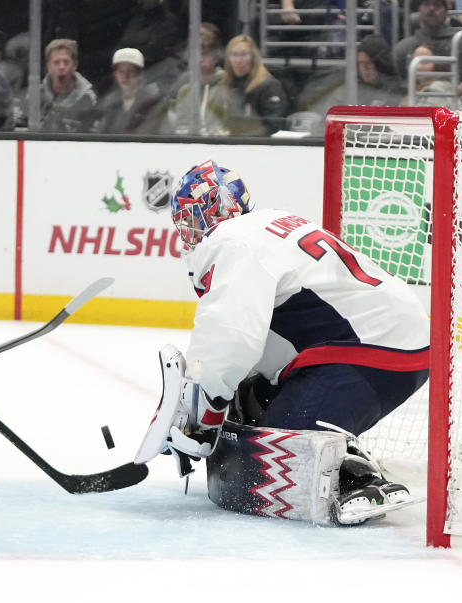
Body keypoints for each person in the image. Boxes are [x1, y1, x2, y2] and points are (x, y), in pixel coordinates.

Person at [135, 161, 429, 525]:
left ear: (209, 210)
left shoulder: (231, 241)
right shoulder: (266, 224)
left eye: (190, 218)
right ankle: (336, 446)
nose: (186, 231)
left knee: (279, 455)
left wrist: (201, 415)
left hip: (369, 351)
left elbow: (231, 336)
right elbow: (261, 335)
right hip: (385, 342)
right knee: (248, 405)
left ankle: (356, 476)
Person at [204, 34, 289, 137]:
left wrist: (239, 137)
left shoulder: (269, 86)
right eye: (234, 55)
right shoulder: (227, 84)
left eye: (244, 55)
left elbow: (273, 126)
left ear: (254, 58)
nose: (238, 60)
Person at [93, 47, 164, 135]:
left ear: (140, 75)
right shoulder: (109, 102)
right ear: (115, 75)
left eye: (131, 71)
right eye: (121, 72)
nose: (125, 76)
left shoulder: (152, 101)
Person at [39, 38, 98, 133]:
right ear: (48, 67)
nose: (62, 67)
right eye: (56, 62)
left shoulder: (88, 100)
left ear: (74, 66)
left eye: (66, 62)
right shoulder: (36, 95)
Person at [393, 0, 461, 82]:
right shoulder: (403, 47)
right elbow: (397, 85)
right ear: (419, 10)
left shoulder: (459, 45)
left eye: (437, 5)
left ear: (446, 12)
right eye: (426, 4)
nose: (431, 9)